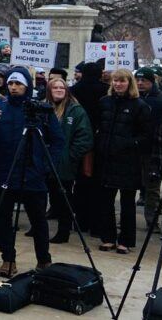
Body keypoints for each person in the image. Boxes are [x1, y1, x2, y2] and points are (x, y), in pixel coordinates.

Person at [0, 67, 65, 278]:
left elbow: (58, 141)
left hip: (33, 174)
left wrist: (45, 165)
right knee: (3, 219)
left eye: (18, 84)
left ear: (27, 86)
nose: (14, 88)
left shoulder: (40, 109)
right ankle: (8, 258)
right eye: (11, 84)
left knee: (38, 220)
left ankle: (43, 259)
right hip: (4, 172)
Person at [95, 68, 151, 254]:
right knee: (105, 201)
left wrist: (128, 143)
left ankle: (125, 240)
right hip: (106, 158)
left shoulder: (139, 105)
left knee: (127, 203)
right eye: (115, 81)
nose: (118, 84)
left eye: (122, 81)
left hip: (128, 160)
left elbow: (146, 135)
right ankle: (108, 237)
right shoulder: (104, 102)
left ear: (129, 83)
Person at [42, 78, 93, 244]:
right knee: (46, 196)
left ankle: (64, 230)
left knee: (63, 197)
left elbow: (84, 137)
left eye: (61, 87)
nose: (58, 90)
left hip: (64, 163)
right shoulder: (42, 108)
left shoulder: (76, 110)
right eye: (55, 87)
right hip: (44, 160)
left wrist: (70, 156)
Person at [70, 59, 108, 236]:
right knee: (95, 183)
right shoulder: (104, 91)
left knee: (80, 182)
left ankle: (80, 219)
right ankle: (95, 222)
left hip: (78, 138)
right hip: (98, 139)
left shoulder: (75, 90)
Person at [136, 67, 162, 231]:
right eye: (138, 80)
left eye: (144, 80)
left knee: (152, 186)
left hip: (154, 149)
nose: (140, 83)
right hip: (134, 147)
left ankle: (152, 220)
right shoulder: (132, 98)